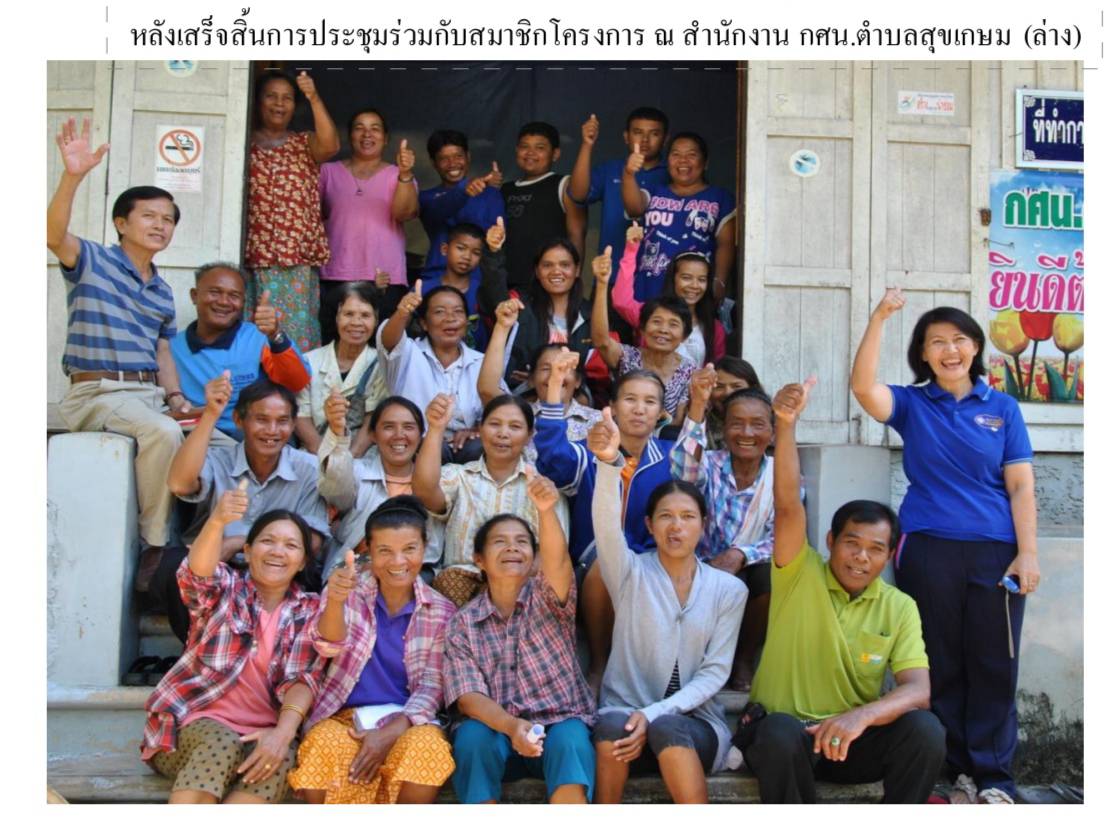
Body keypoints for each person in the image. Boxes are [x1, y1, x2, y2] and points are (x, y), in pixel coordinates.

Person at [851, 290, 1037, 804]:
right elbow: (863, 387)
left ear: (976, 347)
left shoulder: (1002, 408)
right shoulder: (913, 403)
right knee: (941, 663)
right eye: (937, 343)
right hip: (928, 548)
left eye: (959, 339)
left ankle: (995, 778)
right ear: (924, 354)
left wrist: (1029, 552)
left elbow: (1021, 485)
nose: (949, 350)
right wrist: (879, 318)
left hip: (996, 551)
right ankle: (955, 771)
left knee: (995, 663)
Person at [741, 376, 945, 804]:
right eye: (852, 543)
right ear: (831, 542)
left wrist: (861, 718)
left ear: (889, 555)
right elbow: (786, 505)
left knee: (925, 730)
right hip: (783, 736)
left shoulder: (899, 606)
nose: (861, 558)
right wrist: (785, 425)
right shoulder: (799, 571)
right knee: (778, 731)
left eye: (875, 549)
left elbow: (917, 690)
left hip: (846, 740)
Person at [587, 408, 748, 803]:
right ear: (649, 525)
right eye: (666, 517)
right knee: (611, 726)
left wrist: (656, 713)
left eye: (687, 517)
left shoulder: (728, 590)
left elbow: (714, 674)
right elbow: (606, 528)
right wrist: (609, 464)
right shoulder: (629, 573)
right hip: (625, 721)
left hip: (693, 728)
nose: (677, 526)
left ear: (702, 525)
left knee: (667, 727)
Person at [49, 117, 188, 565]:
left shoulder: (163, 290)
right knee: (164, 432)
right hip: (98, 392)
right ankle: (154, 546)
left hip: (147, 393)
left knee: (219, 441)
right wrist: (73, 177)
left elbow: (162, 349)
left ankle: (205, 538)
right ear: (121, 224)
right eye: (149, 216)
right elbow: (52, 236)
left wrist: (177, 396)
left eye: (168, 220)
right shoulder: (92, 260)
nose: (160, 225)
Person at [141, 488, 325, 804]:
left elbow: (303, 680)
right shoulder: (226, 588)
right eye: (268, 541)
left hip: (262, 733)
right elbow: (195, 576)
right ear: (248, 551)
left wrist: (282, 735)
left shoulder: (309, 609)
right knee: (220, 743)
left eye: (291, 545)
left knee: (278, 759)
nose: (278, 551)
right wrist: (217, 521)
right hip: (190, 728)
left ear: (302, 562)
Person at [289, 497, 457, 804]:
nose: (398, 562)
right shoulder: (346, 590)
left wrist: (392, 730)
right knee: (323, 745)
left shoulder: (441, 611)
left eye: (409, 549)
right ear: (368, 549)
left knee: (427, 748)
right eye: (385, 551)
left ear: (425, 547)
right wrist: (336, 602)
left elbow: (433, 686)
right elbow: (326, 647)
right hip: (343, 717)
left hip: (406, 719)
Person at [443, 475, 597, 804]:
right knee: (471, 737)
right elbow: (467, 697)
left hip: (556, 726)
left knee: (571, 737)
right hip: (498, 731)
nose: (512, 547)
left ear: (533, 557)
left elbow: (557, 561)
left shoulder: (549, 597)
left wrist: (545, 509)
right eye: (499, 542)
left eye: (522, 542)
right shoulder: (463, 622)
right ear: (479, 559)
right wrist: (513, 728)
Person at [152, 379, 332, 643]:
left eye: (282, 421)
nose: (272, 430)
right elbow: (180, 482)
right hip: (218, 567)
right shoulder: (220, 459)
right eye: (261, 419)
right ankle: (198, 651)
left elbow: (313, 541)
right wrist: (211, 414)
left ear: (293, 425)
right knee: (174, 566)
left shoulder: (307, 468)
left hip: (276, 566)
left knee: (312, 575)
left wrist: (239, 542)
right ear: (239, 420)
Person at [534, 369, 676, 692]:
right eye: (630, 399)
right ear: (610, 407)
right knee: (605, 562)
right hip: (593, 569)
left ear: (661, 413)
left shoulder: (668, 459)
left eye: (649, 402)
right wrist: (555, 387)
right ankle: (599, 664)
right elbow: (553, 456)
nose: (639, 409)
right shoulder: (587, 453)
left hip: (649, 565)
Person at [671, 371, 789, 692]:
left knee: (766, 577)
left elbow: (785, 537)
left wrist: (740, 554)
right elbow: (681, 474)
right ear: (724, 429)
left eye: (758, 424)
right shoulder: (708, 464)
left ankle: (744, 658)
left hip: (749, 574)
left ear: (773, 433)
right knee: (723, 581)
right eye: (737, 423)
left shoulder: (782, 475)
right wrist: (697, 404)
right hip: (703, 570)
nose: (747, 433)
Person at [413, 393, 568, 606]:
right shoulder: (460, 477)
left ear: (529, 435)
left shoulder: (542, 488)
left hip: (520, 588)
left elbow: (552, 558)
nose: (503, 434)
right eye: (495, 424)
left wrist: (508, 584)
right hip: (459, 586)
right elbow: (425, 490)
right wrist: (436, 428)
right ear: (480, 429)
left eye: (515, 427)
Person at [244, 70, 340, 352]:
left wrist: (313, 97)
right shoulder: (242, 143)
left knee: (295, 339)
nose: (279, 103)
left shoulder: (303, 143)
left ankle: (297, 395)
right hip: (253, 257)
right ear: (257, 102)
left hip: (295, 259)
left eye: (287, 98)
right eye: (271, 97)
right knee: (253, 335)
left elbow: (331, 145)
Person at [171, 262, 312, 444]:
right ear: (194, 296)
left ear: (243, 303)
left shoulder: (258, 337)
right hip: (201, 438)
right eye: (214, 292)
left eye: (234, 296)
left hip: (257, 439)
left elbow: (297, 381)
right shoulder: (173, 348)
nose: (223, 301)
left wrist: (275, 334)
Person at [378, 282, 507, 463]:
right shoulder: (408, 353)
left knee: (479, 446)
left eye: (458, 311)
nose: (450, 318)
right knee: (433, 448)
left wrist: (477, 429)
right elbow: (387, 341)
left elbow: (505, 409)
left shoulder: (482, 362)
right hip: (418, 447)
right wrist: (402, 313)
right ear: (424, 323)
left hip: (468, 449)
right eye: (439, 312)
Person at [317, 396, 444, 579]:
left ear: (421, 434)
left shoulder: (437, 482)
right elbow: (335, 489)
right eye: (388, 427)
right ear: (373, 435)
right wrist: (337, 431)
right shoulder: (358, 472)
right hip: (356, 571)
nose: (399, 434)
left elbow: (432, 550)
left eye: (408, 427)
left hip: (414, 573)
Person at [318, 107, 418, 337]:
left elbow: (405, 213)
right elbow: (314, 216)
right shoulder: (328, 172)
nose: (367, 134)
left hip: (385, 278)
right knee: (333, 348)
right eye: (359, 128)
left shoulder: (398, 175)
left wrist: (405, 174)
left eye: (375, 129)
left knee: (380, 351)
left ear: (385, 139)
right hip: (336, 276)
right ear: (349, 136)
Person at [622, 132, 737, 303]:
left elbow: (726, 245)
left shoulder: (720, 198)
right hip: (649, 288)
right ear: (667, 161)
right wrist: (629, 173)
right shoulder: (654, 192)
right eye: (676, 154)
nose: (683, 160)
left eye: (691, 155)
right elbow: (634, 209)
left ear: (705, 163)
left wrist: (718, 284)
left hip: (694, 292)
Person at [591, 248, 698, 423]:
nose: (663, 330)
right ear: (642, 328)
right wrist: (602, 285)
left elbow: (678, 423)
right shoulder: (627, 357)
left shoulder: (689, 371)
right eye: (656, 321)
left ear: (684, 336)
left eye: (673, 324)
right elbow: (601, 341)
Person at [478, 312, 601, 464]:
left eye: (565, 368)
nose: (556, 374)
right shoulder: (518, 415)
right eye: (545, 368)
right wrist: (502, 327)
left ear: (578, 381)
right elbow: (487, 390)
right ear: (531, 379)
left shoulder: (598, 420)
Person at [480, 222, 594, 382]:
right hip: (522, 398)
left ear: (577, 270)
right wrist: (493, 252)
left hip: (574, 398)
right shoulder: (518, 304)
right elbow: (493, 293)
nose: (556, 271)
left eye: (565, 265)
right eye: (547, 265)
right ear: (537, 271)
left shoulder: (590, 314)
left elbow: (597, 373)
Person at [565, 108, 670, 274]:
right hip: (611, 273)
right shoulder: (612, 169)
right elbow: (577, 194)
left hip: (657, 275)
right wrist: (587, 144)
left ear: (665, 139)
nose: (645, 140)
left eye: (654, 134)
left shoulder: (674, 174)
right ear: (626, 137)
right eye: (637, 132)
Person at [612, 222, 725, 366]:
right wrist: (631, 250)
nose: (694, 286)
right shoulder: (652, 313)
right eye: (686, 278)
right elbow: (620, 301)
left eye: (702, 280)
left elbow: (717, 371)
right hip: (651, 387)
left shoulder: (714, 328)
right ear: (673, 279)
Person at [295, 283, 387, 457]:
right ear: (336, 317)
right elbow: (301, 416)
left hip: (361, 455)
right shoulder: (309, 361)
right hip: (314, 454)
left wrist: (347, 460)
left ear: (376, 320)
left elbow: (371, 421)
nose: (356, 323)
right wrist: (324, 457)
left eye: (365, 315)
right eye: (348, 314)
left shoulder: (381, 364)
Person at [418, 129, 504, 285]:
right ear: (433, 163)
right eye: (444, 158)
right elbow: (439, 210)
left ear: (468, 157)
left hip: (479, 282)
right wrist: (463, 190)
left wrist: (483, 188)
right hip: (437, 279)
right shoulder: (426, 198)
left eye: (458, 156)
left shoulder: (491, 195)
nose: (452, 164)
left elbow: (492, 238)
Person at [500, 122, 572, 295]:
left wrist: (572, 279)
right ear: (517, 150)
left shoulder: (563, 184)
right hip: (506, 283)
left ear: (555, 154)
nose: (530, 153)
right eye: (524, 147)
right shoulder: (504, 189)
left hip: (545, 283)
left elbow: (576, 234)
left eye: (540, 147)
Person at [422, 222, 488, 350]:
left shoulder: (484, 292)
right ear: (444, 249)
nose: (467, 257)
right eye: (461, 248)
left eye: (476, 252)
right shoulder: (424, 289)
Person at [707, 356, 764, 450]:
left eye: (736, 386)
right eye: (719, 387)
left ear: (753, 388)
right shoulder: (700, 422)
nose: (728, 392)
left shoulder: (769, 422)